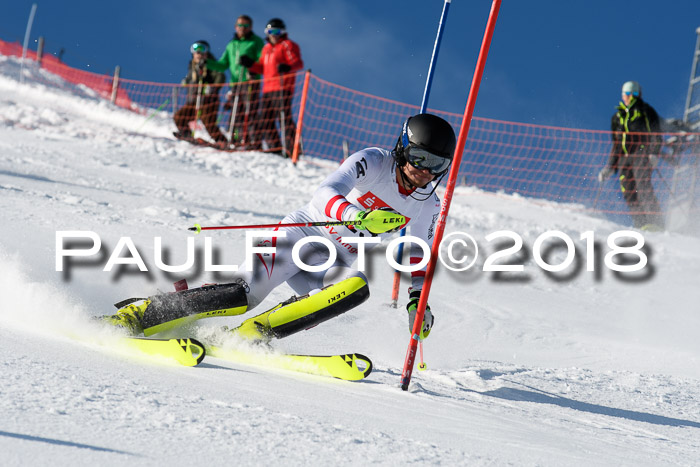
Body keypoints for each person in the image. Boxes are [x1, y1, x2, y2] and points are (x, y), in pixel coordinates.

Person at [102, 113, 456, 345]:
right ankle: (142, 313)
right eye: (418, 157)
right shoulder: (373, 161)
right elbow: (326, 191)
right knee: (243, 294)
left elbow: (418, 256)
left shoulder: (428, 203)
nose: (423, 170)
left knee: (340, 296)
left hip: (331, 261)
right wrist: (352, 215)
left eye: (435, 164)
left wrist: (417, 301)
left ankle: (245, 337)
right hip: (297, 236)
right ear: (402, 147)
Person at [598, 81, 663, 229]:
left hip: (641, 153)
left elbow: (656, 134)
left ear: (639, 95)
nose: (630, 97)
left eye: (633, 94)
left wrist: (653, 153)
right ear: (622, 95)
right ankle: (642, 224)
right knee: (629, 191)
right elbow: (616, 144)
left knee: (643, 186)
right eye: (627, 94)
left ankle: (657, 223)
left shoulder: (645, 111)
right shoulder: (617, 117)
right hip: (624, 160)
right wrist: (610, 167)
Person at [239, 18, 303, 158]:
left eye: (276, 31)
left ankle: (292, 148)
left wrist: (288, 67)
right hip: (267, 88)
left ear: (283, 32)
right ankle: (275, 147)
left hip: (282, 87)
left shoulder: (288, 45)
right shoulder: (266, 48)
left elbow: (298, 63)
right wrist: (250, 64)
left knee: (283, 118)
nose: (273, 35)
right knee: (265, 119)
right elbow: (262, 68)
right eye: (270, 31)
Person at [206, 15, 264, 149]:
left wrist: (252, 67)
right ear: (235, 27)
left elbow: (262, 60)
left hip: (250, 82)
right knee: (236, 113)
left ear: (250, 27)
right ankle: (236, 140)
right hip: (235, 84)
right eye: (240, 25)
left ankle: (253, 142)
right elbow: (223, 64)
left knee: (250, 112)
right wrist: (207, 63)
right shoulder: (232, 45)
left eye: (245, 26)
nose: (242, 29)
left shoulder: (256, 42)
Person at [173, 40, 228, 147]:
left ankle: (223, 142)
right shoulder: (192, 65)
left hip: (208, 101)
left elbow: (220, 76)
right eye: (195, 49)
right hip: (194, 100)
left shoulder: (211, 64)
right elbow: (191, 78)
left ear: (206, 52)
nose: (198, 53)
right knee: (179, 116)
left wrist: (212, 88)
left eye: (201, 49)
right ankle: (186, 134)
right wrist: (186, 81)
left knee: (208, 122)